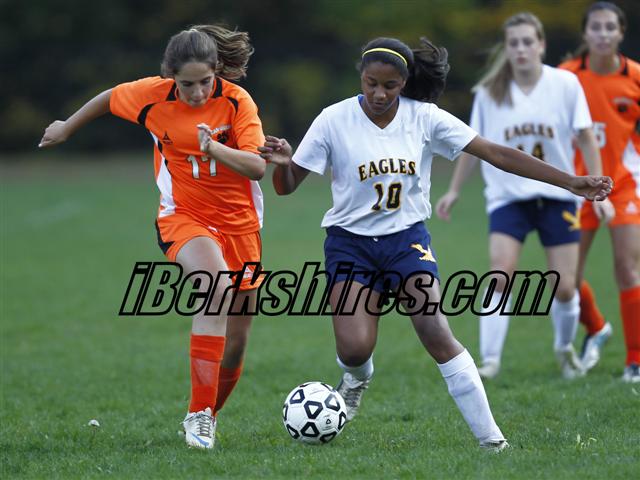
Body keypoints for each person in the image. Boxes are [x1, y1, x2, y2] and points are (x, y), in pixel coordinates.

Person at [259, 36, 611, 450]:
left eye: (390, 86)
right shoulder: (333, 119)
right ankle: (355, 379)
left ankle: (492, 441)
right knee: (354, 349)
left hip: (406, 241)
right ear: (361, 77)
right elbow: (285, 186)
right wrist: (284, 163)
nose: (379, 93)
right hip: (350, 245)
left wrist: (570, 181)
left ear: (405, 83)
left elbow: (495, 153)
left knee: (436, 330)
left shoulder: (424, 118)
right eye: (371, 83)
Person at [39, 25, 268, 449]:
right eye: (187, 84)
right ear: (169, 76)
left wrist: (214, 148)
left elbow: (256, 167)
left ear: (217, 71)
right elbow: (110, 98)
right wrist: (67, 126)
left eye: (205, 82)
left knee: (236, 344)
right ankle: (200, 417)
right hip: (184, 216)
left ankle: (205, 413)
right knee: (215, 288)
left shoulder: (237, 101)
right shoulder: (151, 96)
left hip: (241, 227)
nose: (197, 92)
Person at [435, 12, 613, 380]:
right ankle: (490, 361)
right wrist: (453, 190)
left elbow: (585, 136)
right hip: (508, 198)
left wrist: (596, 186)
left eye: (527, 42)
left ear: (541, 45)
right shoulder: (489, 92)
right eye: (513, 43)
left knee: (565, 285)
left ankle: (564, 350)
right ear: (506, 48)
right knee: (500, 274)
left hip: (558, 196)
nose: (520, 49)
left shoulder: (565, 84)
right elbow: (473, 146)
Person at [559, 1, 640, 383]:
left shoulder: (635, 76)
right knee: (566, 278)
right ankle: (595, 327)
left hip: (623, 185)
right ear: (585, 33)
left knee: (627, 268)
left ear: (621, 32)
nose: (603, 34)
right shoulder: (565, 76)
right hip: (576, 187)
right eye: (596, 27)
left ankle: (635, 360)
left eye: (610, 27)